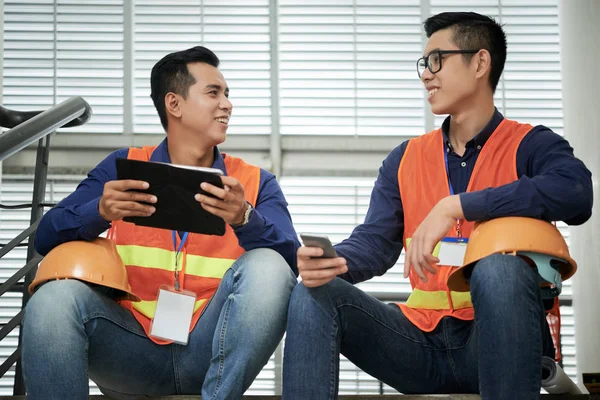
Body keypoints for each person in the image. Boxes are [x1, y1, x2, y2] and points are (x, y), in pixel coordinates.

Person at [282, 12, 593, 400]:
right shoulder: (405, 158)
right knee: (313, 292)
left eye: (437, 60)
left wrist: (458, 205)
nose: (426, 74)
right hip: (418, 346)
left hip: (495, 346)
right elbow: (375, 244)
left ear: (480, 63)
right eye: (424, 64)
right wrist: (333, 261)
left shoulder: (531, 145)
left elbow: (576, 193)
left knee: (499, 269)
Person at [23, 46, 300, 400]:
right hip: (131, 349)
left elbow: (290, 265)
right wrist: (100, 210)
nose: (227, 104)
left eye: (227, 94)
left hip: (211, 350)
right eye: (214, 93)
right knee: (52, 298)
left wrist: (245, 218)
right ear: (175, 104)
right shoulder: (122, 167)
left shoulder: (255, 182)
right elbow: (46, 236)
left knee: (268, 266)